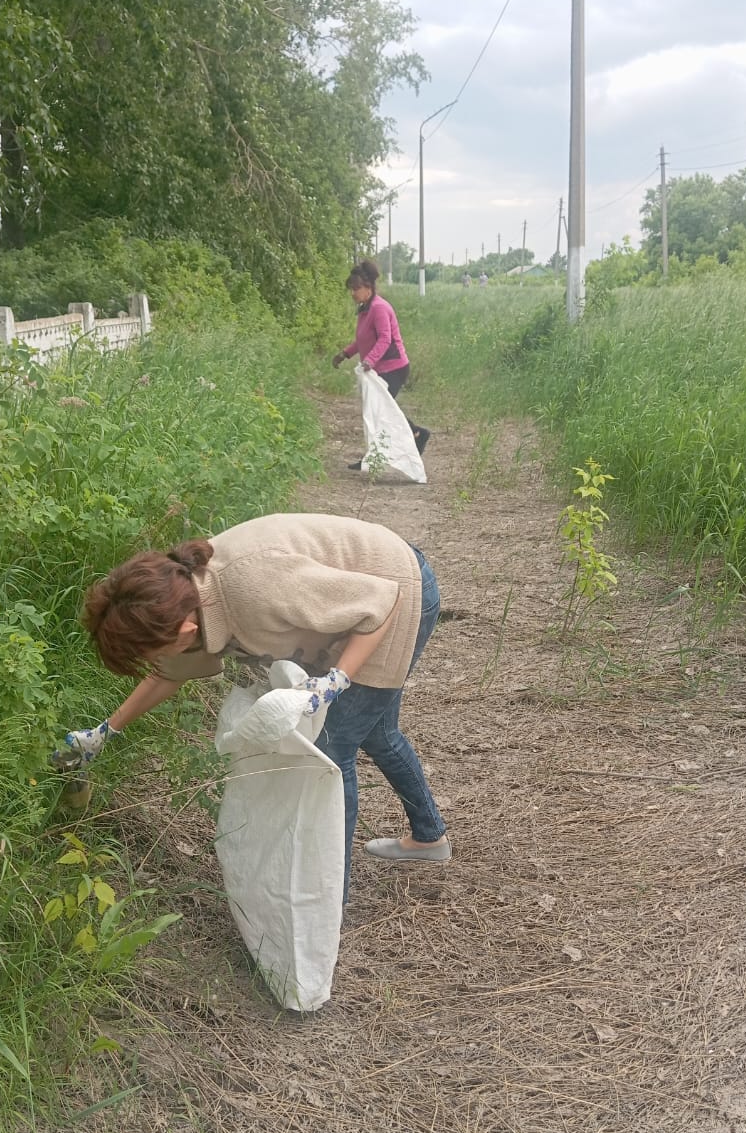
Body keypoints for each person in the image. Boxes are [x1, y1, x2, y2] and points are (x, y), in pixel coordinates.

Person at [53, 512, 451, 903]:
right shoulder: (183, 603)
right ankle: (429, 837)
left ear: (185, 631)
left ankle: (328, 901)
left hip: (396, 589)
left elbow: (378, 604)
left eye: (152, 653)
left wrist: (338, 679)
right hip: (362, 598)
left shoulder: (254, 587)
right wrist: (105, 731)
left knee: (331, 748)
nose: (153, 661)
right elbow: (167, 674)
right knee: (378, 732)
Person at [332, 259, 430, 470]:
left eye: (356, 289)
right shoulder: (364, 309)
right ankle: (413, 435)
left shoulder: (379, 308)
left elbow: (385, 339)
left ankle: (413, 436)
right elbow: (363, 340)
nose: (353, 293)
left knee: (381, 411)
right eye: (351, 289)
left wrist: (369, 361)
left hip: (394, 368)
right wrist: (344, 354)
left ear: (368, 288)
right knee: (380, 410)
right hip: (379, 369)